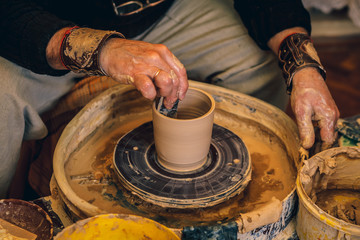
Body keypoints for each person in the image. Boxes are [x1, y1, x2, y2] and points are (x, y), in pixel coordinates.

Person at [0, 0, 339, 198]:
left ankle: (218, 182)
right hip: (47, 26)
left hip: (161, 13)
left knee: (264, 68)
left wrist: (302, 63)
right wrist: (103, 51)